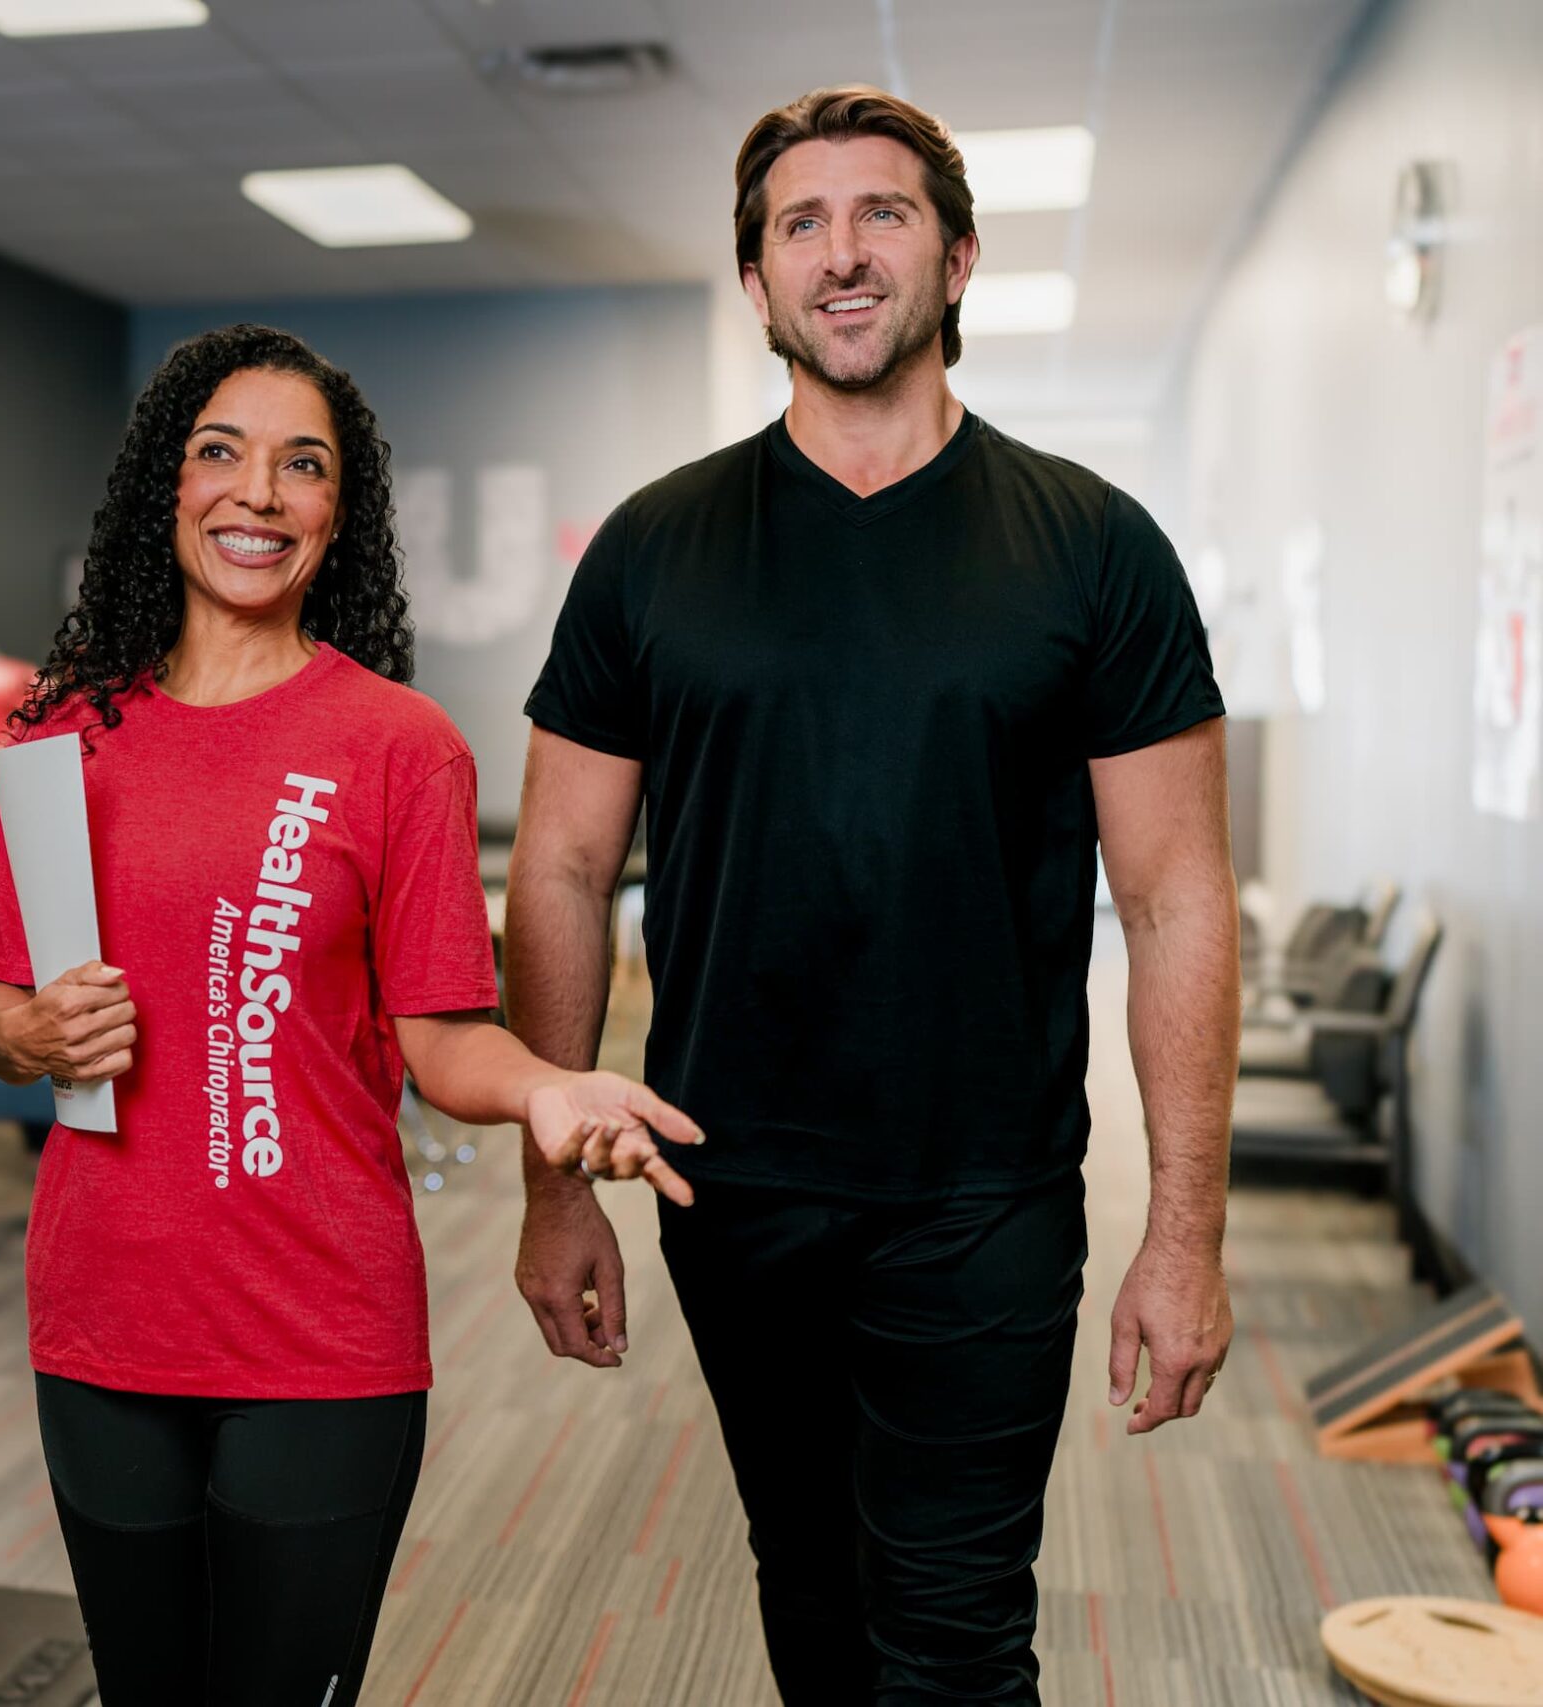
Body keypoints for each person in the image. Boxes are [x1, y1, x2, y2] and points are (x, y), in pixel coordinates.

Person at [509, 86, 1240, 1705]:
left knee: (958, 1630)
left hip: (981, 1187)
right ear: (760, 283)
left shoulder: (1094, 549)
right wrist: (554, 1185)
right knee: (809, 1585)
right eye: (800, 225)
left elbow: (1182, 896)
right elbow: (560, 864)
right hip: (727, 1180)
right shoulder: (652, 548)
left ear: (958, 258)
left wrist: (1183, 1235)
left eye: (883, 214)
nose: (843, 254)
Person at [0, 324, 695, 1707]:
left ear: (336, 516)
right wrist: (30, 1035)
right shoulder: (59, 735)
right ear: (161, 488)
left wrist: (545, 1085)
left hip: (318, 1324)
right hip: (103, 1312)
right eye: (219, 452)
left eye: (304, 466)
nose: (258, 492)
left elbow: (440, 1036)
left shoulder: (397, 748)